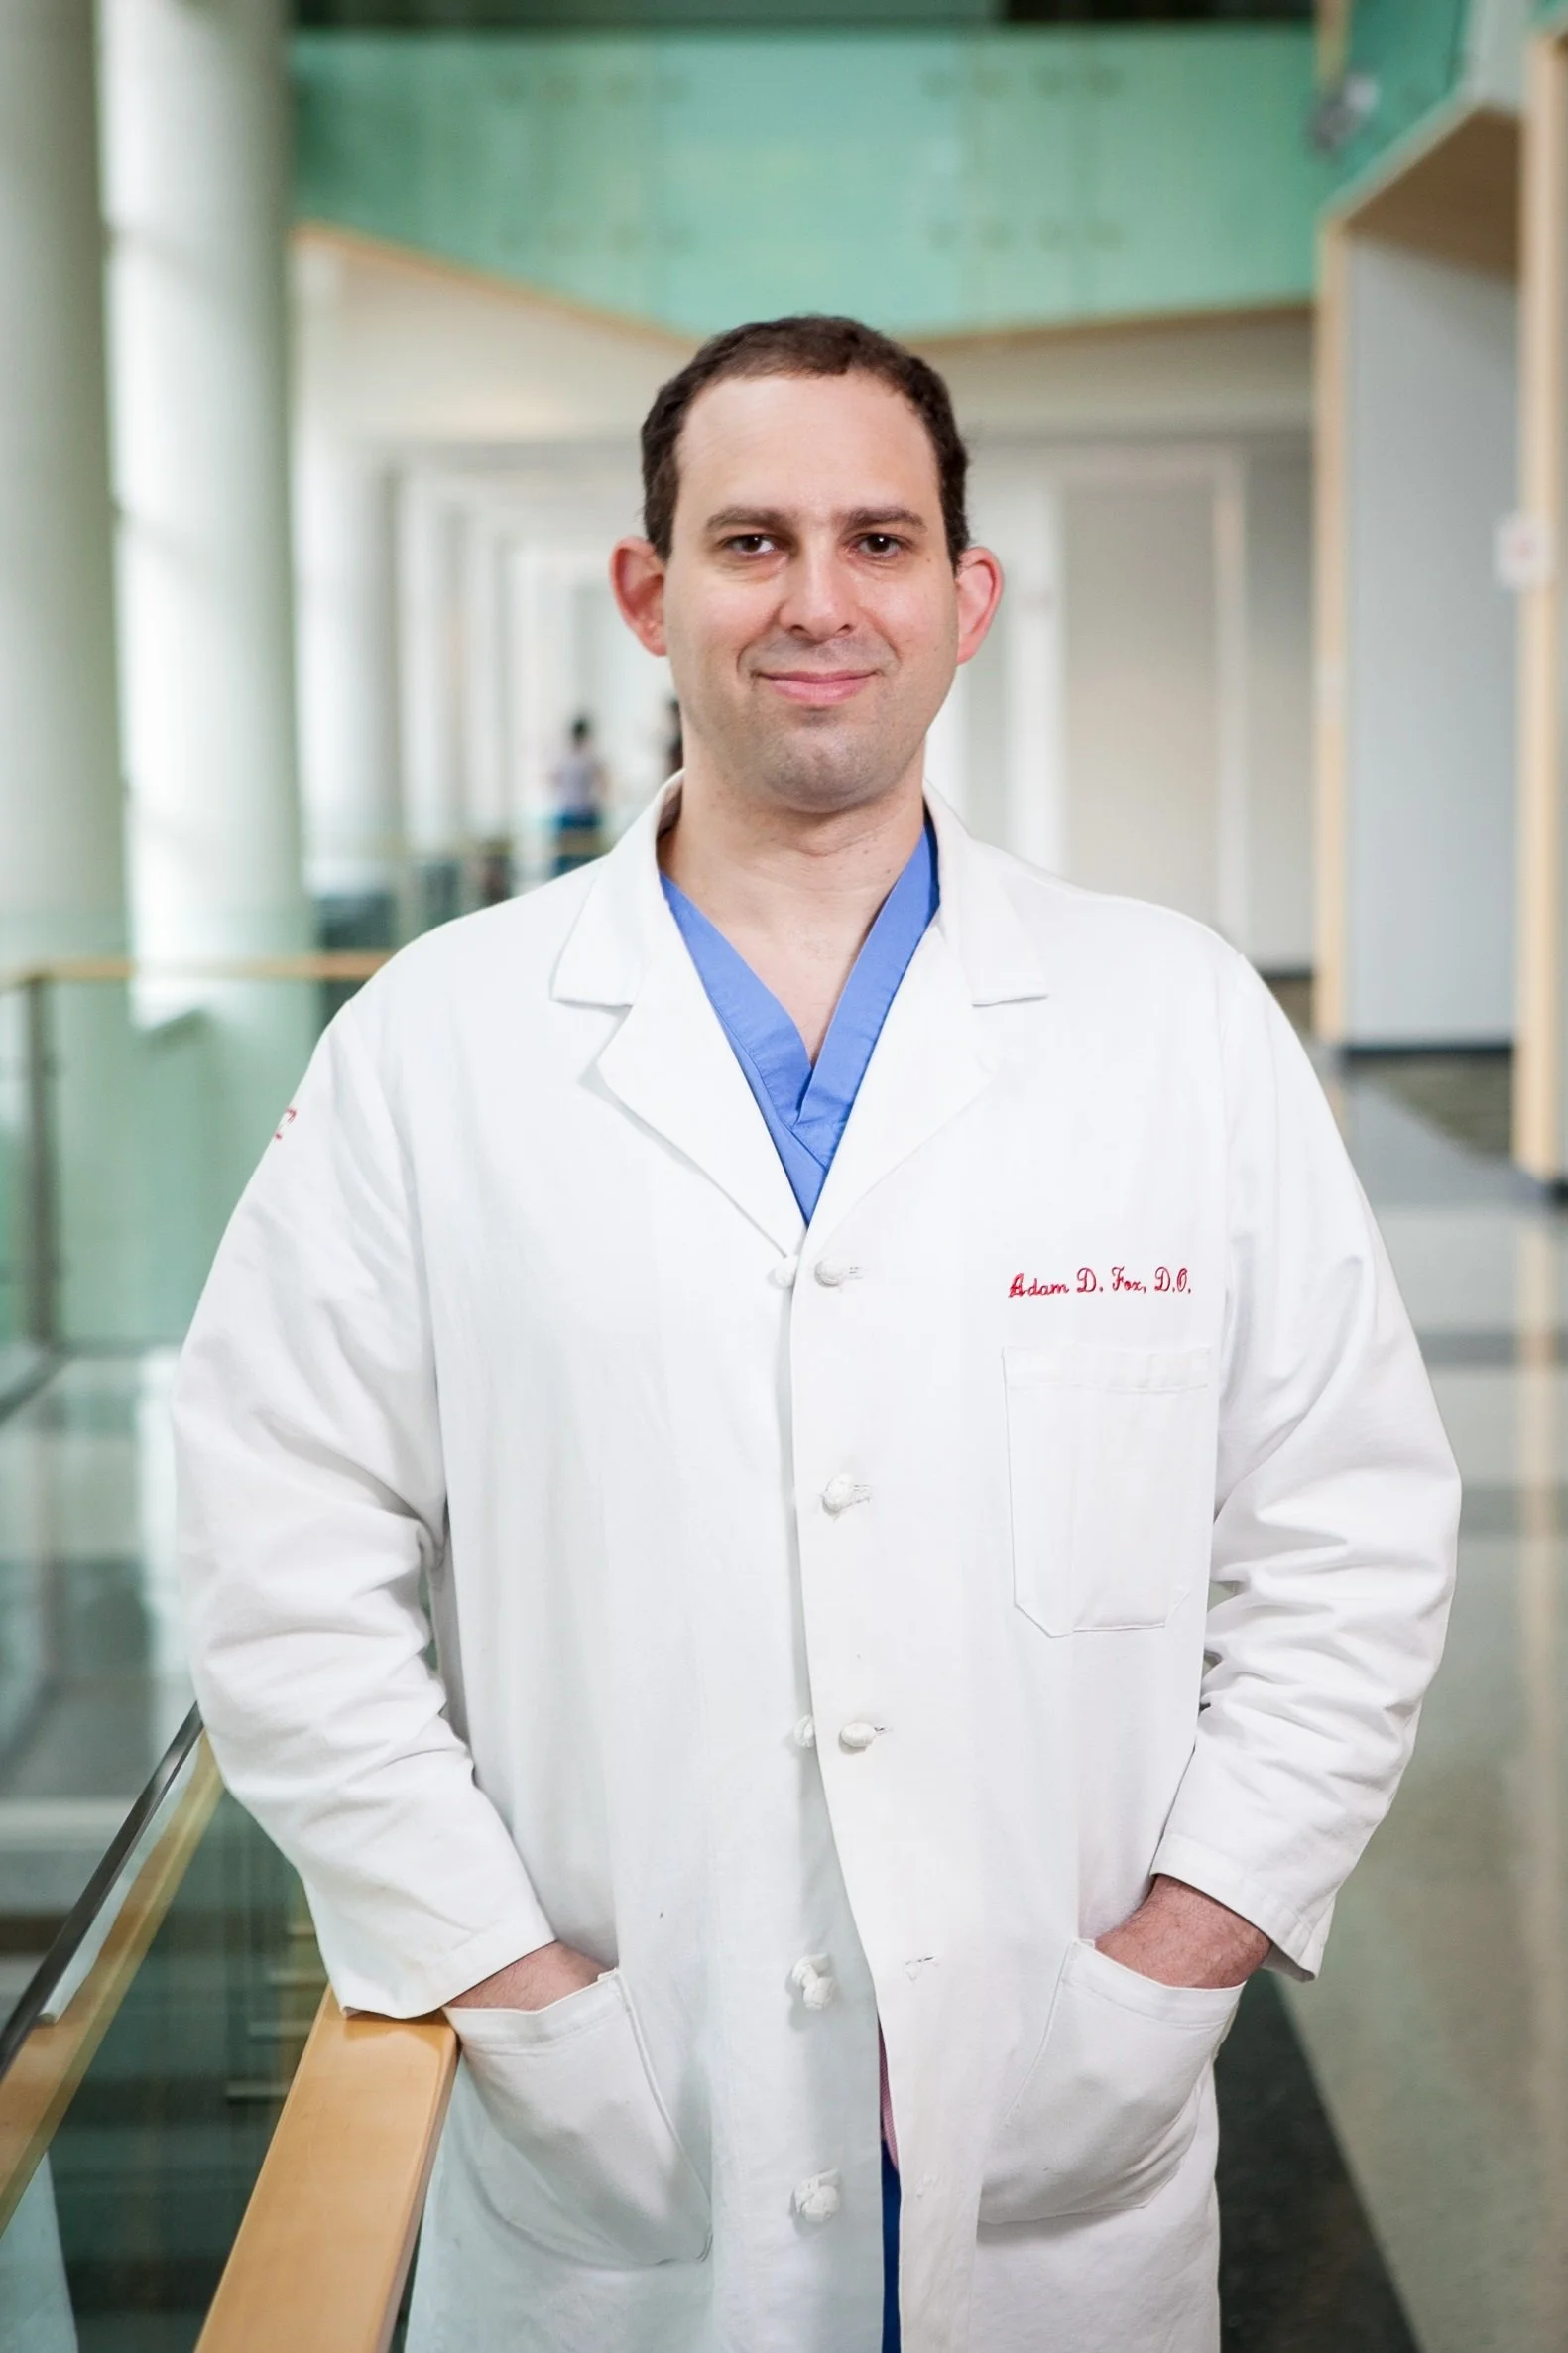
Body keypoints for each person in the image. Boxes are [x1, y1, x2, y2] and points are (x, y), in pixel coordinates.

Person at [174, 315, 1458, 2353]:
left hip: (1065, 2118)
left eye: (877, 539)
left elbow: (1348, 1533)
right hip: (616, 2119)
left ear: (965, 598)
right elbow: (277, 1556)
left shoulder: (1172, 1020)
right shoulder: (440, 1039)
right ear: (646, 590)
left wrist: (1183, 1948)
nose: (815, 602)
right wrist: (501, 1974)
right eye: (749, 541)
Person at [548, 712, 608, 875]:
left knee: (565, 861)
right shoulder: (590, 758)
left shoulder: (564, 758)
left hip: (570, 812)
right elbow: (603, 783)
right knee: (589, 862)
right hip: (583, 814)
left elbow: (553, 780)